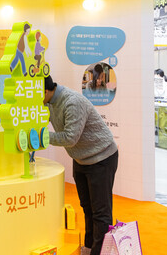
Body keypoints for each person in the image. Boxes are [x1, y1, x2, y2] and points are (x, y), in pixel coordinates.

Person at [43, 76, 118, 255]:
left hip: (101, 158)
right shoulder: (48, 103)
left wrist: (40, 136)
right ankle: (90, 247)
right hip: (81, 159)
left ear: (44, 91)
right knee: (87, 207)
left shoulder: (72, 102)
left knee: (101, 212)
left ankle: (100, 252)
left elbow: (70, 138)